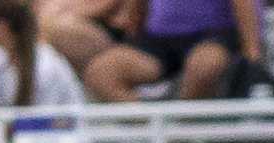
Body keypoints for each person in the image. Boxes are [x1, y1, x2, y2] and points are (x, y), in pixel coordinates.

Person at [78, 0, 261, 102]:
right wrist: (133, 35)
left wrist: (252, 54)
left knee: (204, 66)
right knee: (100, 72)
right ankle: (153, 134)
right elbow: (137, 6)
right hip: (160, 37)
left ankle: (183, 135)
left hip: (215, 34)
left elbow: (243, 3)